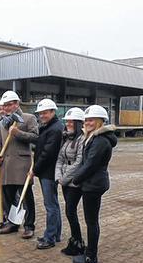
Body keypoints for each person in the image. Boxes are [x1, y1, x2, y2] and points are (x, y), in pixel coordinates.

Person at [72, 105, 117, 263]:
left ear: (100, 121)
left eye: (91, 120)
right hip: (93, 183)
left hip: (93, 184)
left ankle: (91, 256)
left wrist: (75, 179)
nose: (87, 122)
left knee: (91, 221)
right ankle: (91, 253)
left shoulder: (100, 141)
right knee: (91, 220)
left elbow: (90, 165)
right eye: (86, 120)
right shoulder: (94, 137)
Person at [0, 90, 38, 239]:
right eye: (4, 106)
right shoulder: (2, 122)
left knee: (26, 196)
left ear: (17, 104)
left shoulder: (28, 118)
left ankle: (29, 226)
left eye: (9, 105)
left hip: (22, 163)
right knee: (9, 196)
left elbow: (35, 137)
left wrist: (18, 133)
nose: (6, 108)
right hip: (6, 164)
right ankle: (13, 223)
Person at [31, 99, 64, 249]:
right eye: (40, 113)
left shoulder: (55, 129)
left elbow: (47, 154)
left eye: (45, 112)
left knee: (50, 205)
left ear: (53, 112)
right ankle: (55, 234)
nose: (42, 115)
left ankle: (49, 238)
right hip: (46, 171)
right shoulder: (48, 127)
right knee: (54, 204)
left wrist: (34, 170)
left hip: (48, 172)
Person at [55, 107, 86, 256]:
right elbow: (60, 158)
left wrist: (64, 178)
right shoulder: (66, 137)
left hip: (74, 182)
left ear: (79, 123)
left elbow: (79, 162)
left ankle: (78, 242)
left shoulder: (82, 139)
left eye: (71, 121)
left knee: (70, 211)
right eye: (66, 121)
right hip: (64, 180)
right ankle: (75, 240)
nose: (68, 123)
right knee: (69, 211)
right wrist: (58, 176)